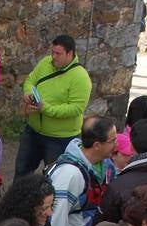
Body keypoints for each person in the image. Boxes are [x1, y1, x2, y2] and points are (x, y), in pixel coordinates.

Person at [47, 116, 119, 226]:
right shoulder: (69, 174)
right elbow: (57, 216)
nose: (117, 144)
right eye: (113, 140)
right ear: (97, 145)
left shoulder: (105, 164)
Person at [14, 35, 93, 176]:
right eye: (52, 52)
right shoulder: (45, 63)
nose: (53, 57)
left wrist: (46, 109)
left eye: (58, 54)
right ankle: (18, 198)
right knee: (21, 171)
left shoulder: (81, 77)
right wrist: (27, 94)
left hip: (60, 139)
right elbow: (30, 80)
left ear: (70, 54)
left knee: (55, 178)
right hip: (33, 131)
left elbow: (76, 108)